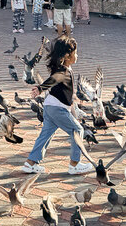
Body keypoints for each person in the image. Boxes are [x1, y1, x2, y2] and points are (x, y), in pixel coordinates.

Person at [21, 36, 93, 175]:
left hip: (50, 107)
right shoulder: (63, 71)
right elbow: (55, 79)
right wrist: (41, 88)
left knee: (45, 135)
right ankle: (74, 164)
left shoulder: (62, 68)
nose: (77, 55)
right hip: (57, 109)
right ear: (67, 56)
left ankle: (30, 163)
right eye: (75, 53)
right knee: (77, 130)